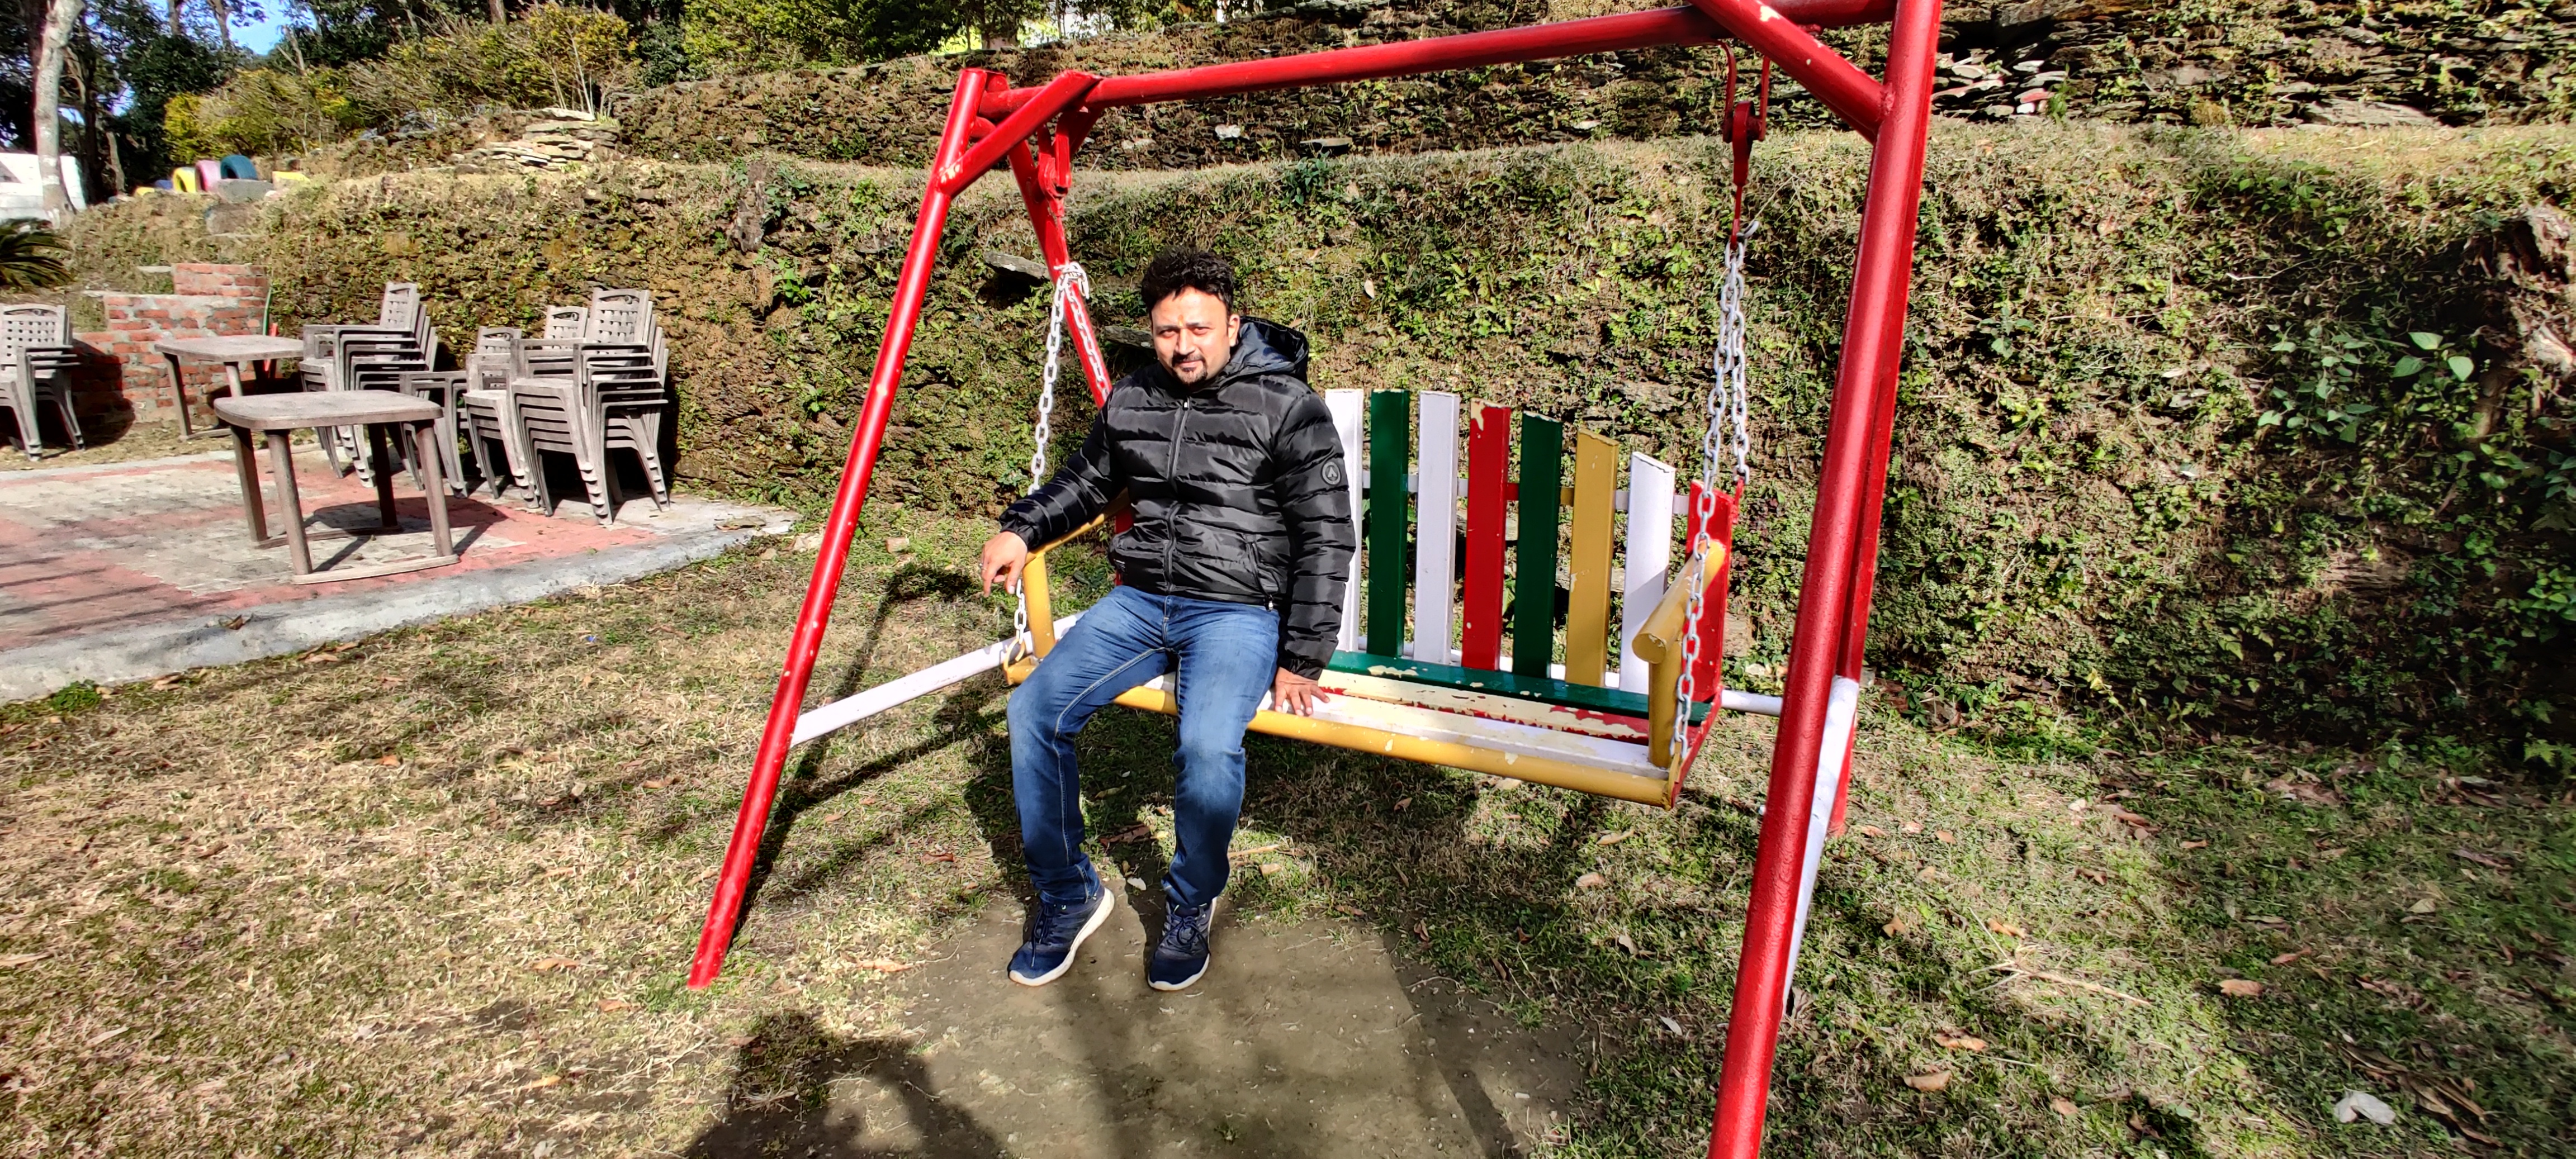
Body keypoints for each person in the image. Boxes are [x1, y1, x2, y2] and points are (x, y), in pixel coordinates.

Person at [978, 249, 1355, 991]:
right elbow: (1088, 482)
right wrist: (1022, 530)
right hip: (1142, 600)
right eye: (1166, 332)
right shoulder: (1134, 397)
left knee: (1207, 747)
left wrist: (1302, 657)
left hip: (1238, 610)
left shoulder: (1286, 406)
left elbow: (1325, 533)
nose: (1183, 346)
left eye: (1198, 329)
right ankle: (1068, 892)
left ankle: (1190, 900)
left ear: (1233, 325)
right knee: (1033, 711)